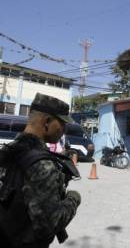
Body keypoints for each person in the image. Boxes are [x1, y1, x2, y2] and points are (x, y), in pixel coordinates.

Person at [0, 93, 81, 248]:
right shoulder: (42, 164)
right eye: (62, 124)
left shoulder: (7, 151)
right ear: (47, 122)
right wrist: (73, 198)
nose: (64, 130)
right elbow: (49, 226)